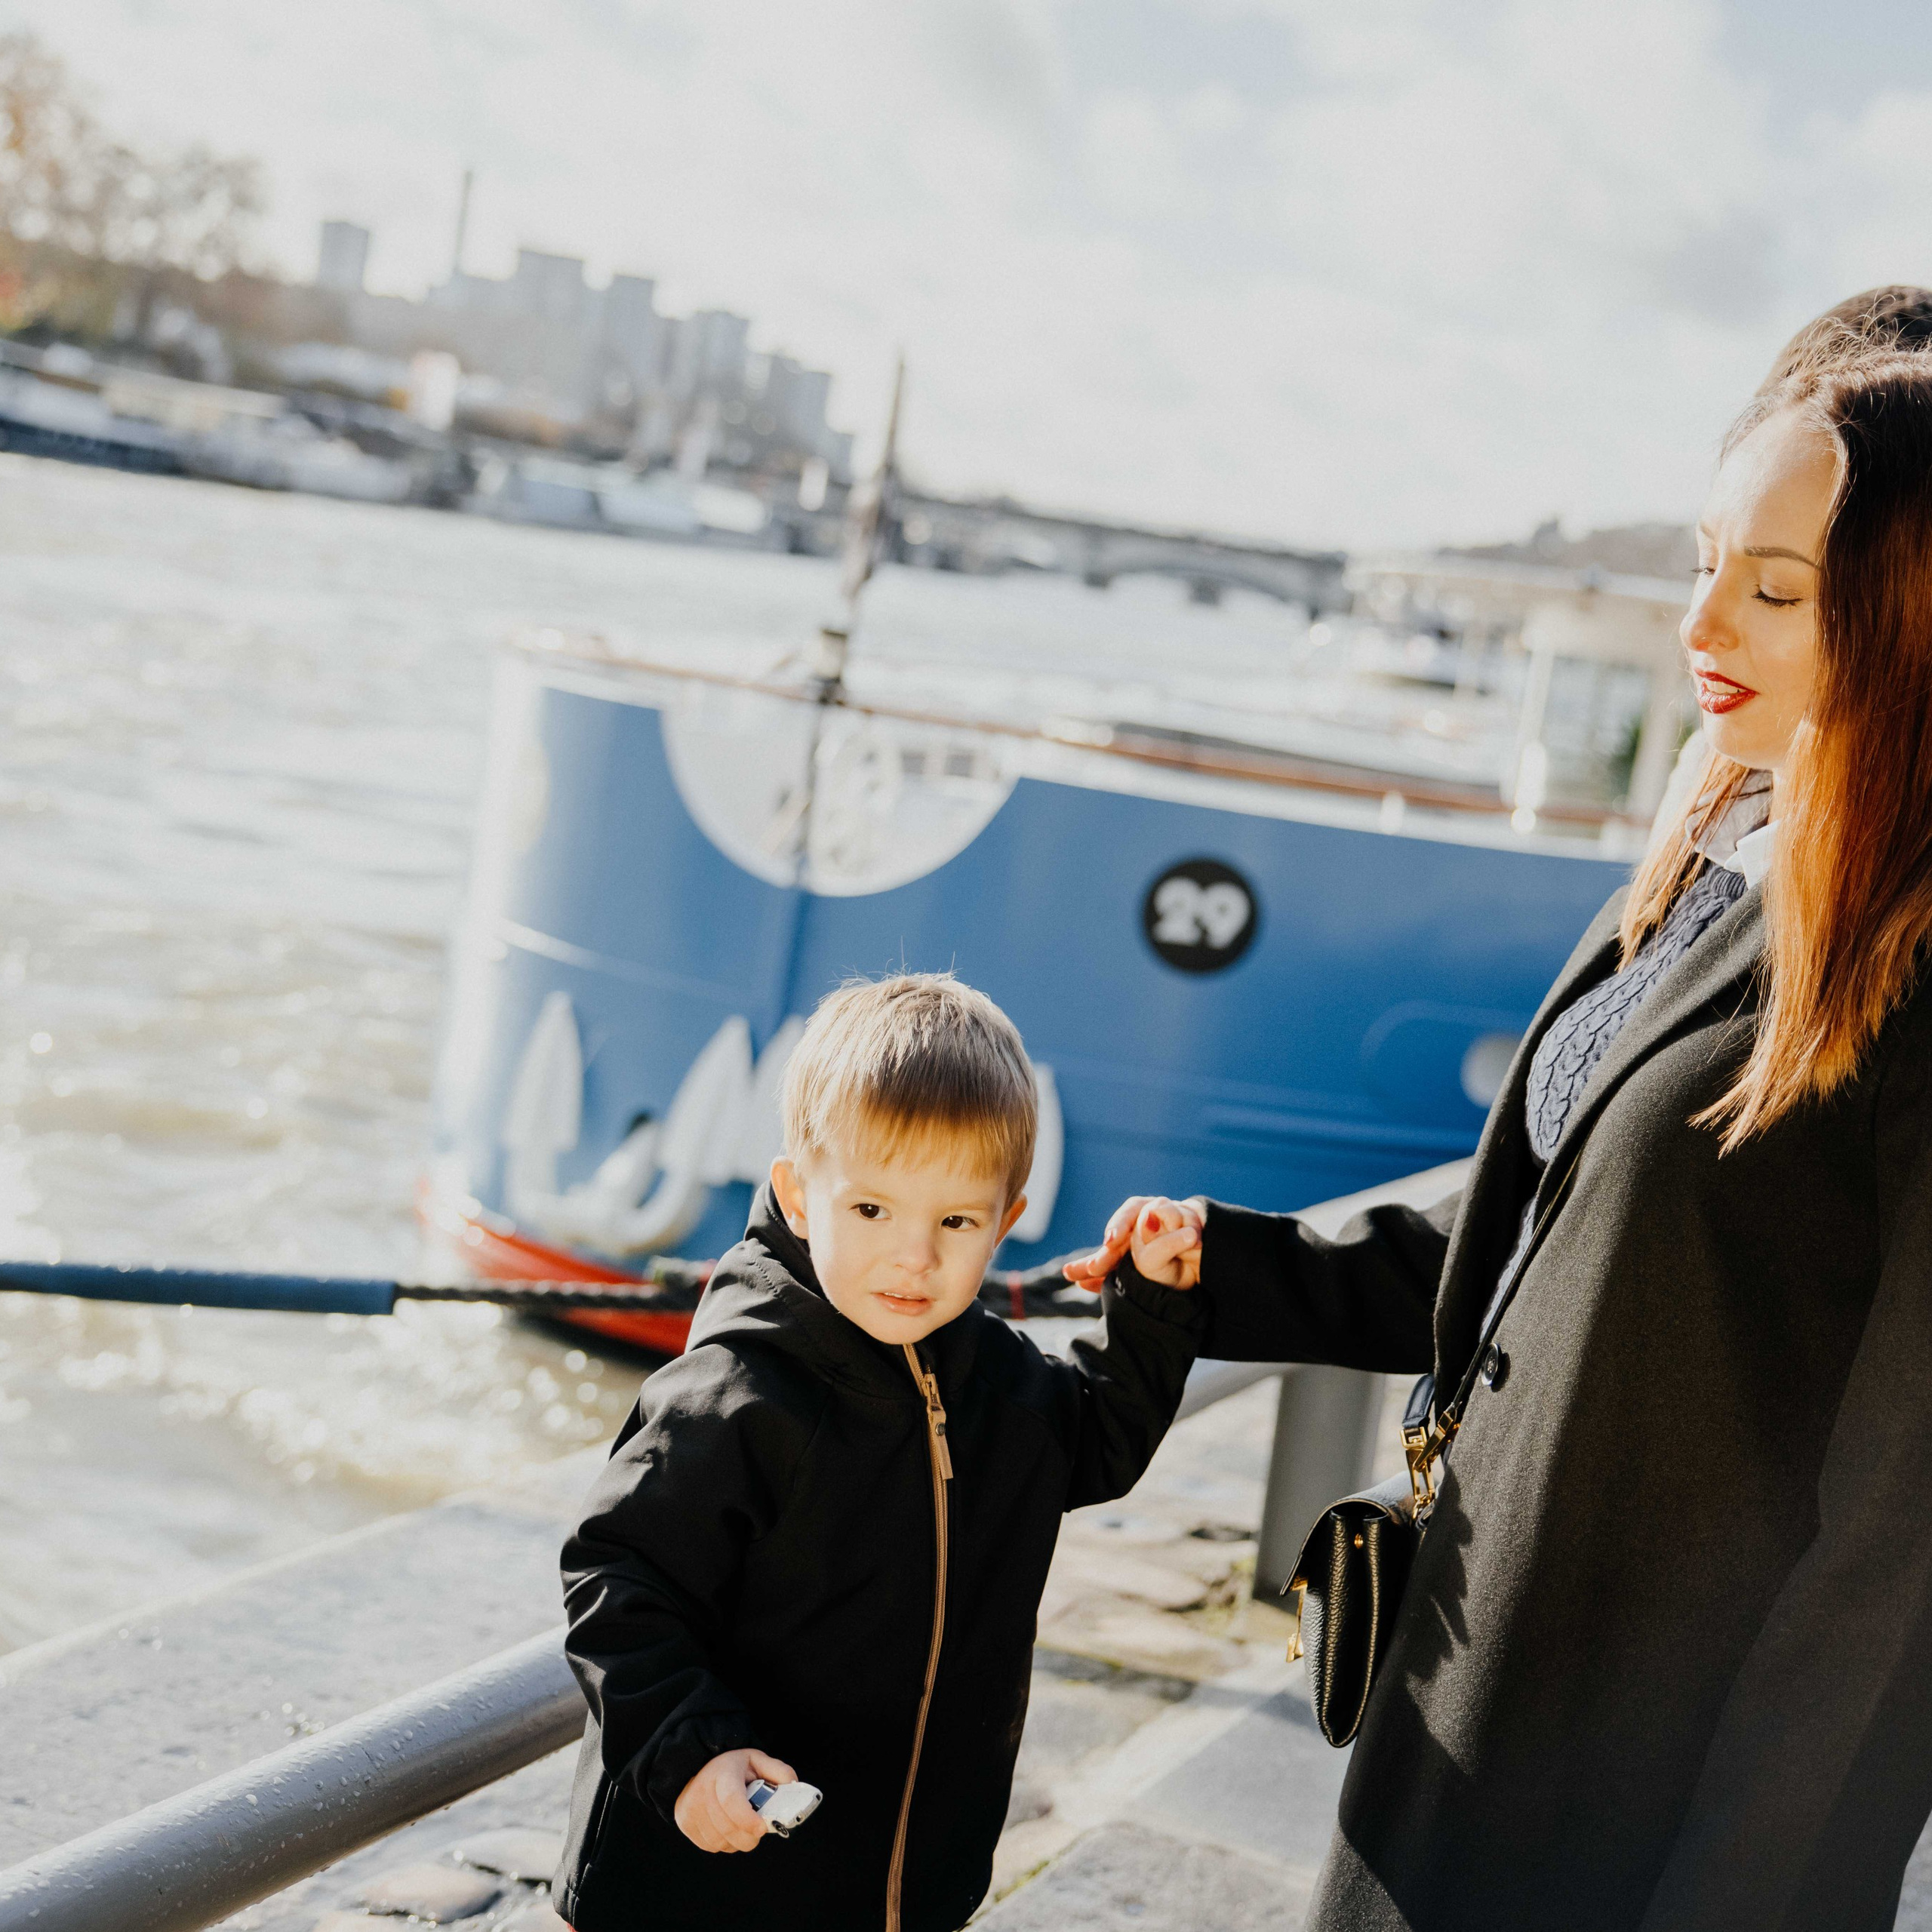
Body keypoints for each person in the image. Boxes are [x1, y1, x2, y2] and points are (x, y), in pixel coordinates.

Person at [1072, 349, 1932, 1927]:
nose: (1698, 624)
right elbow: (1556, 1231)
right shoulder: (1718, 857)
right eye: (1697, 568)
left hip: (1641, 1808)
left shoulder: (1906, 960)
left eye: (1774, 587)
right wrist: (1239, 1266)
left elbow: (1898, 1555)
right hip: (1458, 1711)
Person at [552, 973, 1204, 1932]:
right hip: (701, 1878)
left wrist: (1150, 1305)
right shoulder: (735, 1396)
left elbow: (1094, 1441)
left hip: (903, 1878)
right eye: (871, 1211)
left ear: (1005, 1219)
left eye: (955, 1222)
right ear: (798, 1195)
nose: (913, 1257)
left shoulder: (997, 1381)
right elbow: (616, 1577)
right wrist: (688, 1753)